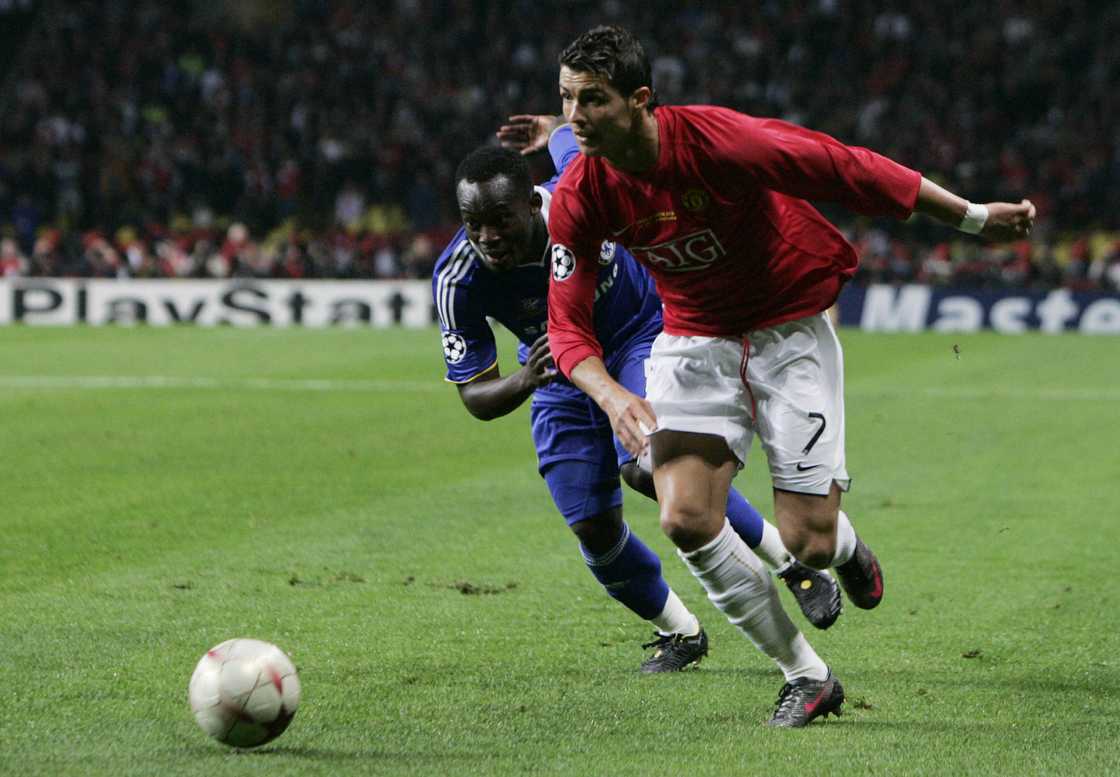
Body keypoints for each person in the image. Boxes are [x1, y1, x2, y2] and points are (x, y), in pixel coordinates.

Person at [544, 25, 1035, 725]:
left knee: (805, 537)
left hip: (789, 327)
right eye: (566, 99)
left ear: (640, 100)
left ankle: (843, 545)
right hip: (692, 339)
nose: (575, 117)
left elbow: (847, 167)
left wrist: (974, 218)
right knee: (684, 517)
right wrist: (611, 391)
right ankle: (806, 674)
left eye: (592, 100)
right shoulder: (581, 193)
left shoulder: (718, 142)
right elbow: (566, 323)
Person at [434, 126, 843, 678]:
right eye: (473, 224)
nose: (488, 237)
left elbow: (580, 133)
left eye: (500, 220)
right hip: (557, 375)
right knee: (592, 529)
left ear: (533, 204)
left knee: (653, 466)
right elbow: (474, 395)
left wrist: (550, 122)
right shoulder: (458, 277)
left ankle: (791, 564)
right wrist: (524, 380)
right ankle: (680, 630)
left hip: (638, 336)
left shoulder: (576, 189)